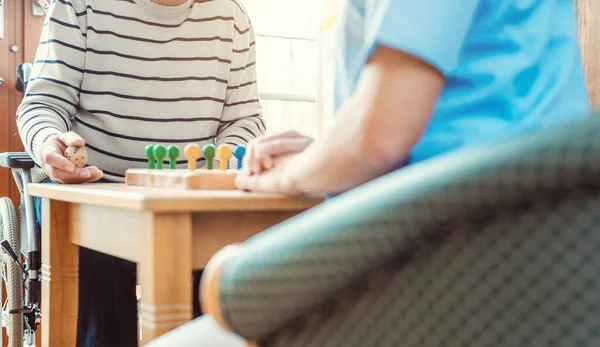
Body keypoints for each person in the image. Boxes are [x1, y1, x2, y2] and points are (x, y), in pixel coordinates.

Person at [145, 0, 591, 345]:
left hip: (450, 262)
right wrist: (332, 149)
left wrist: (291, 173)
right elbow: (463, 106)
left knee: (221, 285)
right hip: (536, 250)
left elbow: (381, 136)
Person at [16, 0, 264, 346]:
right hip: (93, 189)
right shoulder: (79, 6)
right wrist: (48, 143)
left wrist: (227, 157)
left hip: (189, 195)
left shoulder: (232, 17)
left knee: (219, 281)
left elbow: (244, 119)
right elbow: (43, 103)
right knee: (103, 289)